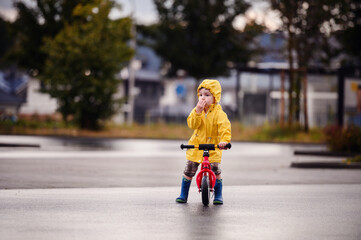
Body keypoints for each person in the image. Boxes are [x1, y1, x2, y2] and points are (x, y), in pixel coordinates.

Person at [176, 79, 231, 205]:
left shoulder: (219, 114)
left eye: (207, 95)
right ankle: (183, 194)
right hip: (196, 146)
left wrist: (224, 141)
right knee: (189, 170)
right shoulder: (197, 110)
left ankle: (218, 194)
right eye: (200, 95)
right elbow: (192, 124)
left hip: (214, 147)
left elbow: (224, 128)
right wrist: (198, 112)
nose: (203, 98)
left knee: (215, 170)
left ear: (215, 97)